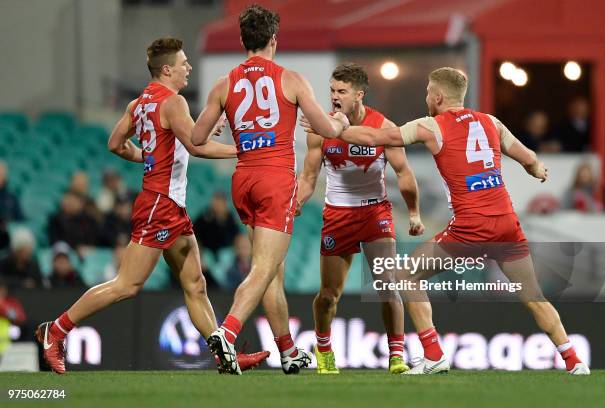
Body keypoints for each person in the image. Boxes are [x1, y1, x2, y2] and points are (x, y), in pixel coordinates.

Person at [309, 67, 590, 375]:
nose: (426, 97)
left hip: (471, 226)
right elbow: (528, 157)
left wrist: (334, 129)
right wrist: (536, 169)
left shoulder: (432, 126)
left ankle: (433, 354)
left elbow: (380, 136)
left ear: (438, 96)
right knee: (533, 296)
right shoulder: (490, 122)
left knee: (405, 274)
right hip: (507, 224)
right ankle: (574, 361)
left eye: (428, 91)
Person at [36, 37, 268, 374]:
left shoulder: (138, 103)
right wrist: (244, 152)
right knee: (126, 285)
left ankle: (225, 355)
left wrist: (150, 157)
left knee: (195, 283)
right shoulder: (173, 102)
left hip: (168, 204)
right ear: (167, 69)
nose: (189, 67)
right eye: (184, 63)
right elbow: (198, 147)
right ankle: (54, 331)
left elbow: (116, 144)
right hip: (160, 204)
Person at [191, 4, 348, 375]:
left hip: (243, 178)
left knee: (271, 270)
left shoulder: (224, 84)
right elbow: (326, 129)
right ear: (274, 40)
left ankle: (288, 351)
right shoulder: (290, 79)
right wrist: (340, 121)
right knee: (264, 269)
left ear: (243, 40)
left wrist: (226, 140)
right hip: (276, 179)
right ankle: (227, 333)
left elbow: (196, 140)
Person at [296, 63, 423, 375]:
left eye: (342, 91)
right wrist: (295, 203)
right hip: (338, 214)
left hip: (374, 213)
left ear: (359, 95)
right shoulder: (320, 128)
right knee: (328, 296)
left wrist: (415, 213)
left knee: (387, 284)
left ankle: (396, 357)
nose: (335, 97)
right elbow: (309, 176)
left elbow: (404, 173)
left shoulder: (382, 127)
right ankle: (323, 350)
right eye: (332, 91)